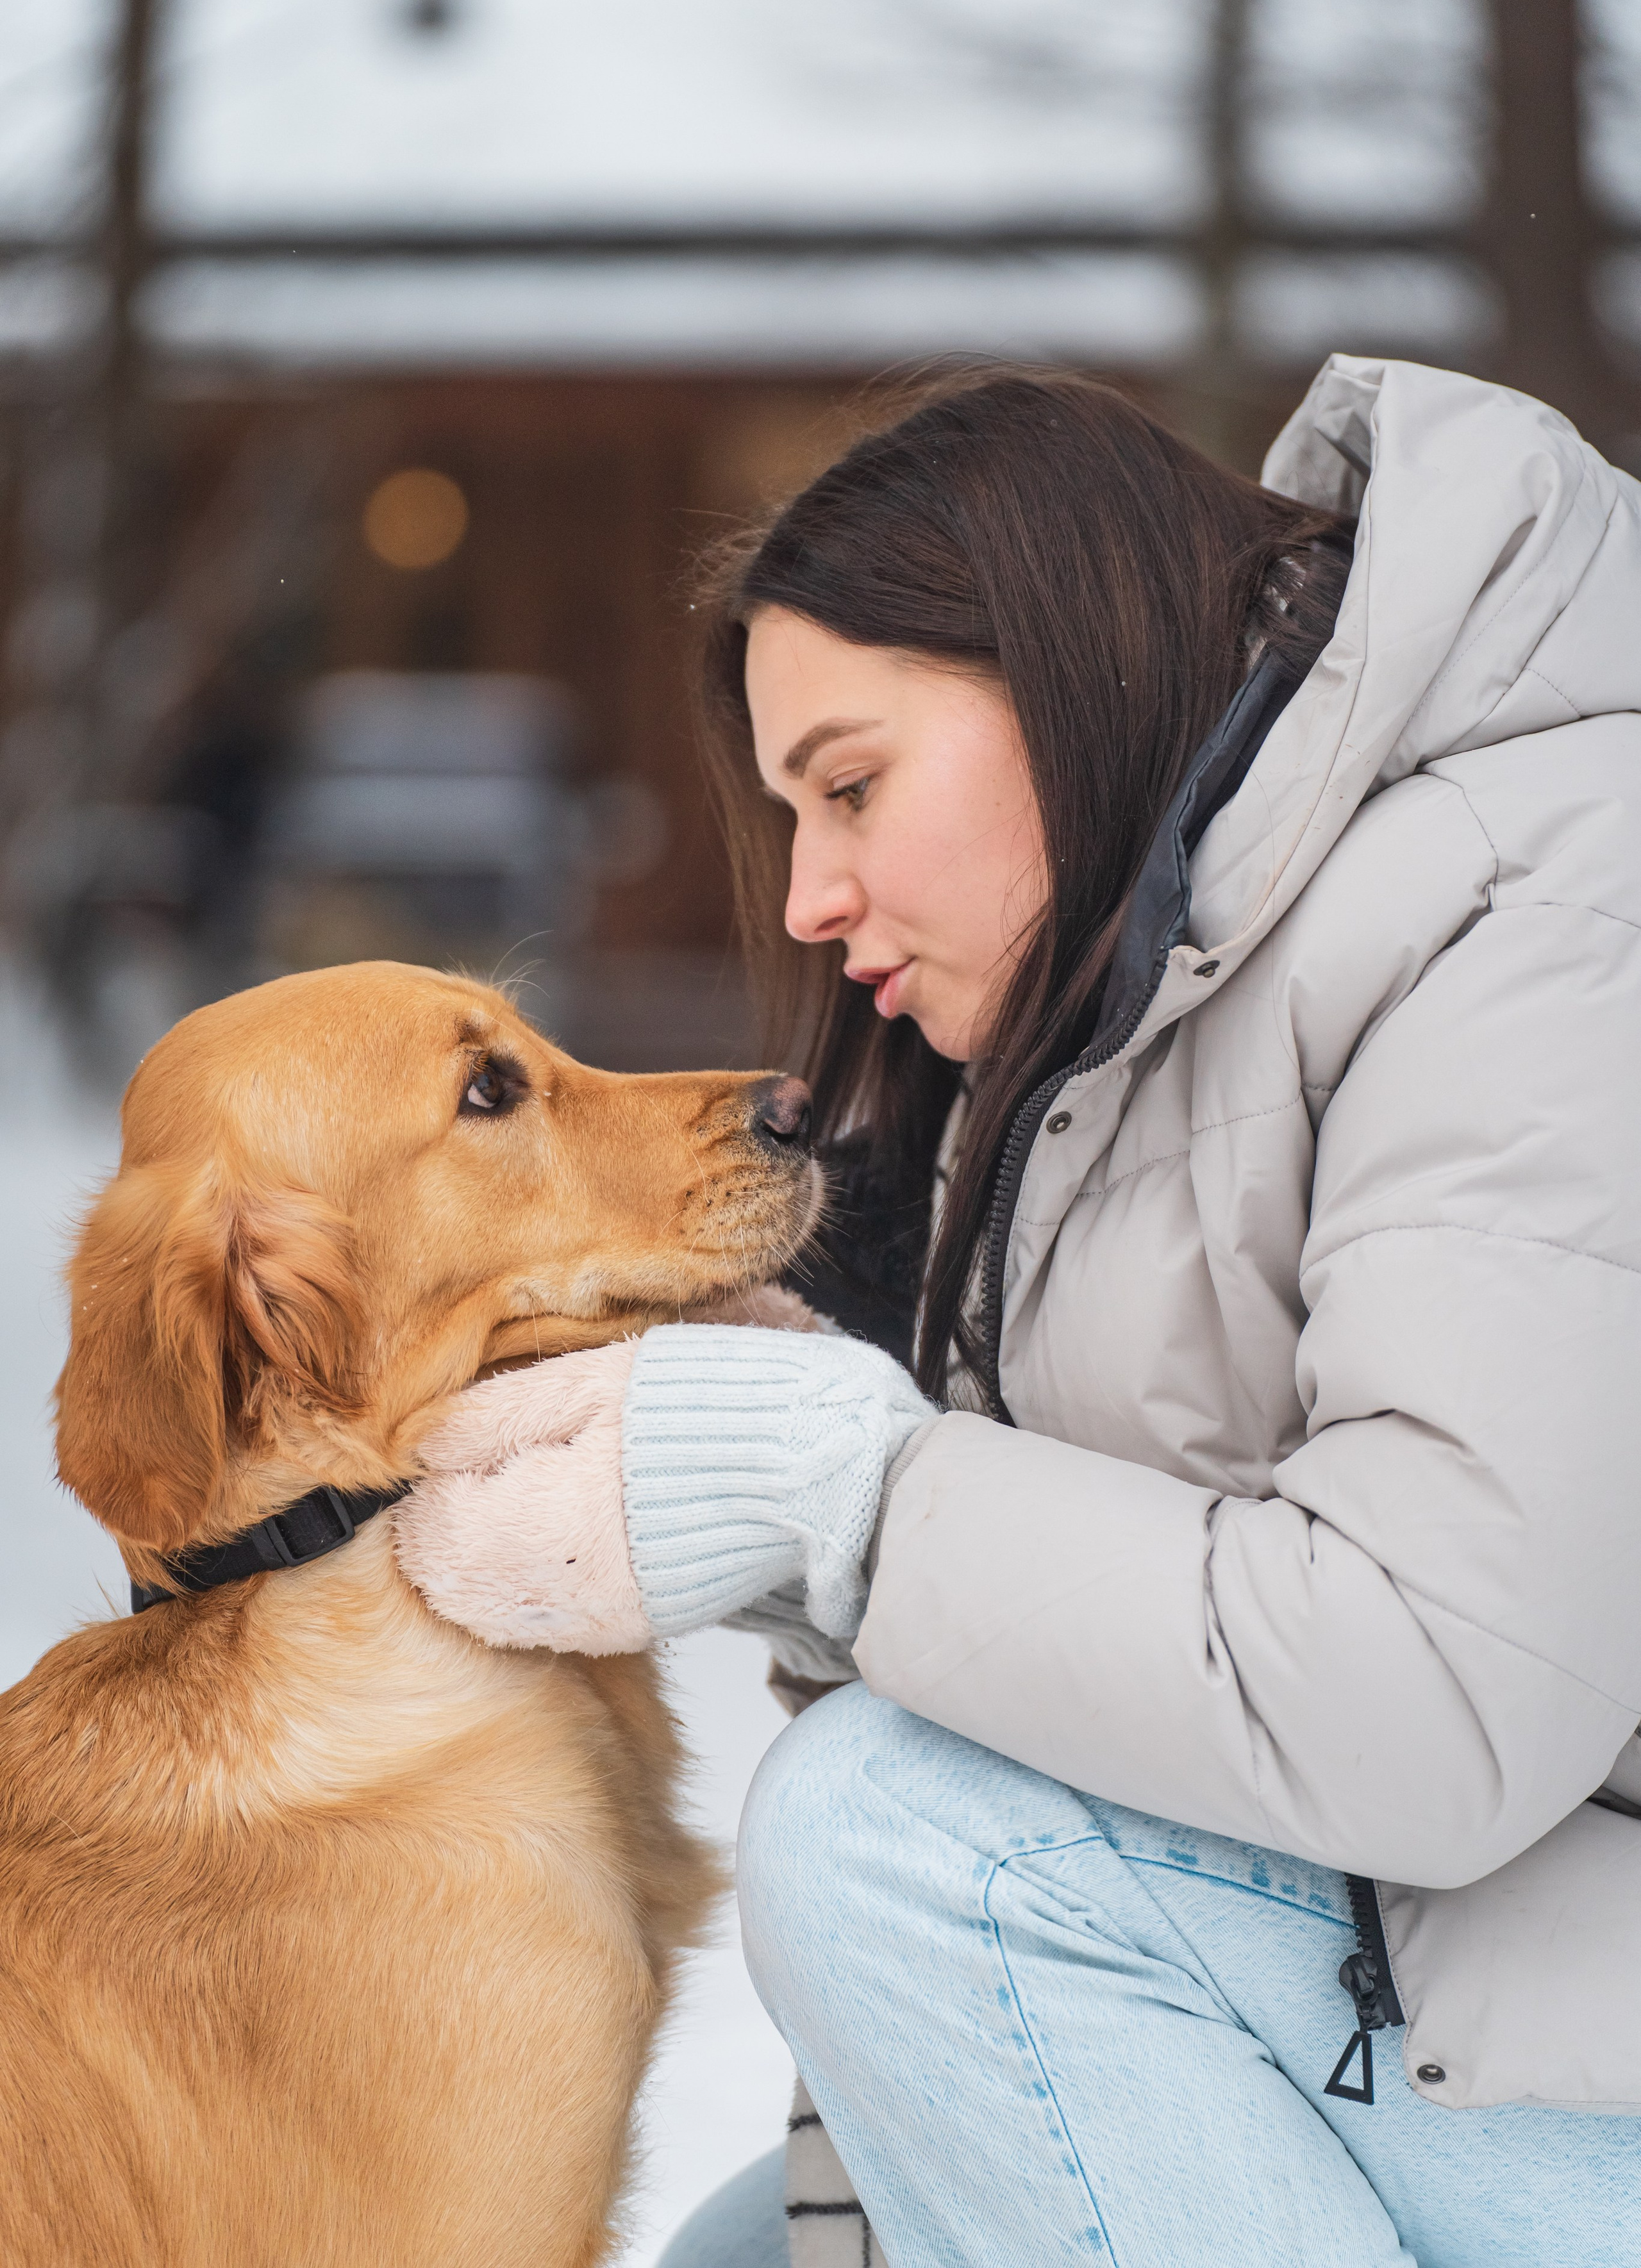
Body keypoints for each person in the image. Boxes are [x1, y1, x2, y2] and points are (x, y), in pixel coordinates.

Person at [395, 358, 1641, 2268]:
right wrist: (816, 1512)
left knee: (895, 1842)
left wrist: (853, 1494)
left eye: (852, 787)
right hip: (1447, 2001)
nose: (808, 898)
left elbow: (1435, 1699)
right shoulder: (1125, 1024)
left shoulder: (1542, 900)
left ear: (1067, 666)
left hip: (1566, 2041)